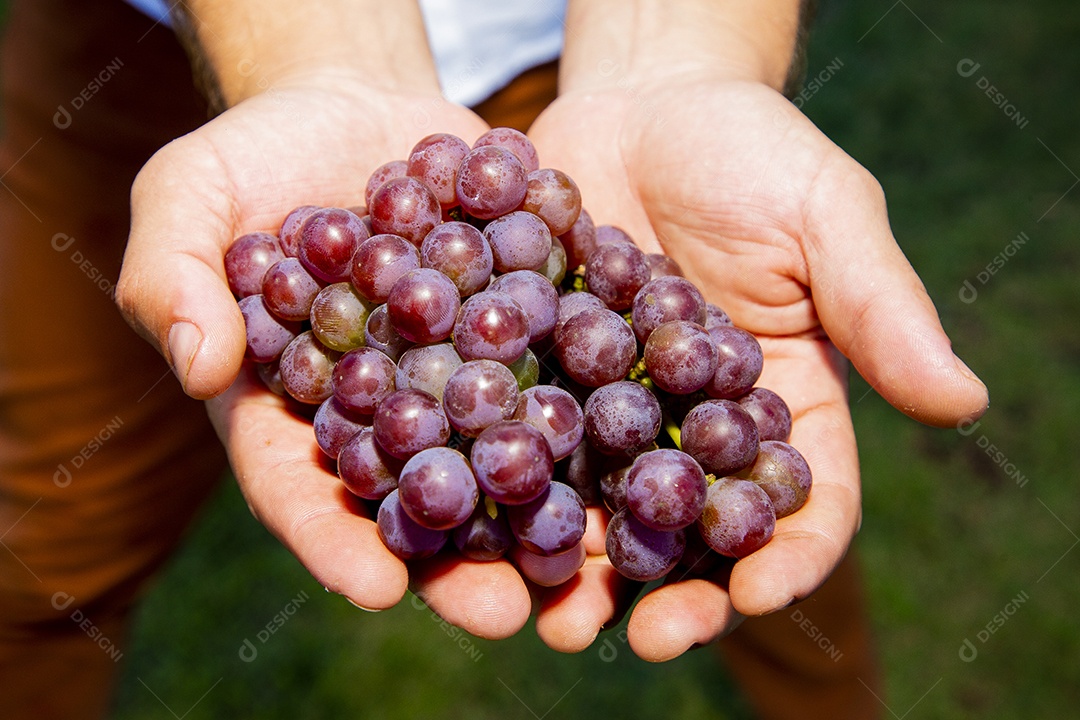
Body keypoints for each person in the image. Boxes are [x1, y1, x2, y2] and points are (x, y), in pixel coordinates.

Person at [0, 1, 989, 718]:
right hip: (164, 50)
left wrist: (680, 59)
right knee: (54, 537)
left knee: (751, 558)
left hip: (581, 70)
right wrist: (317, 56)